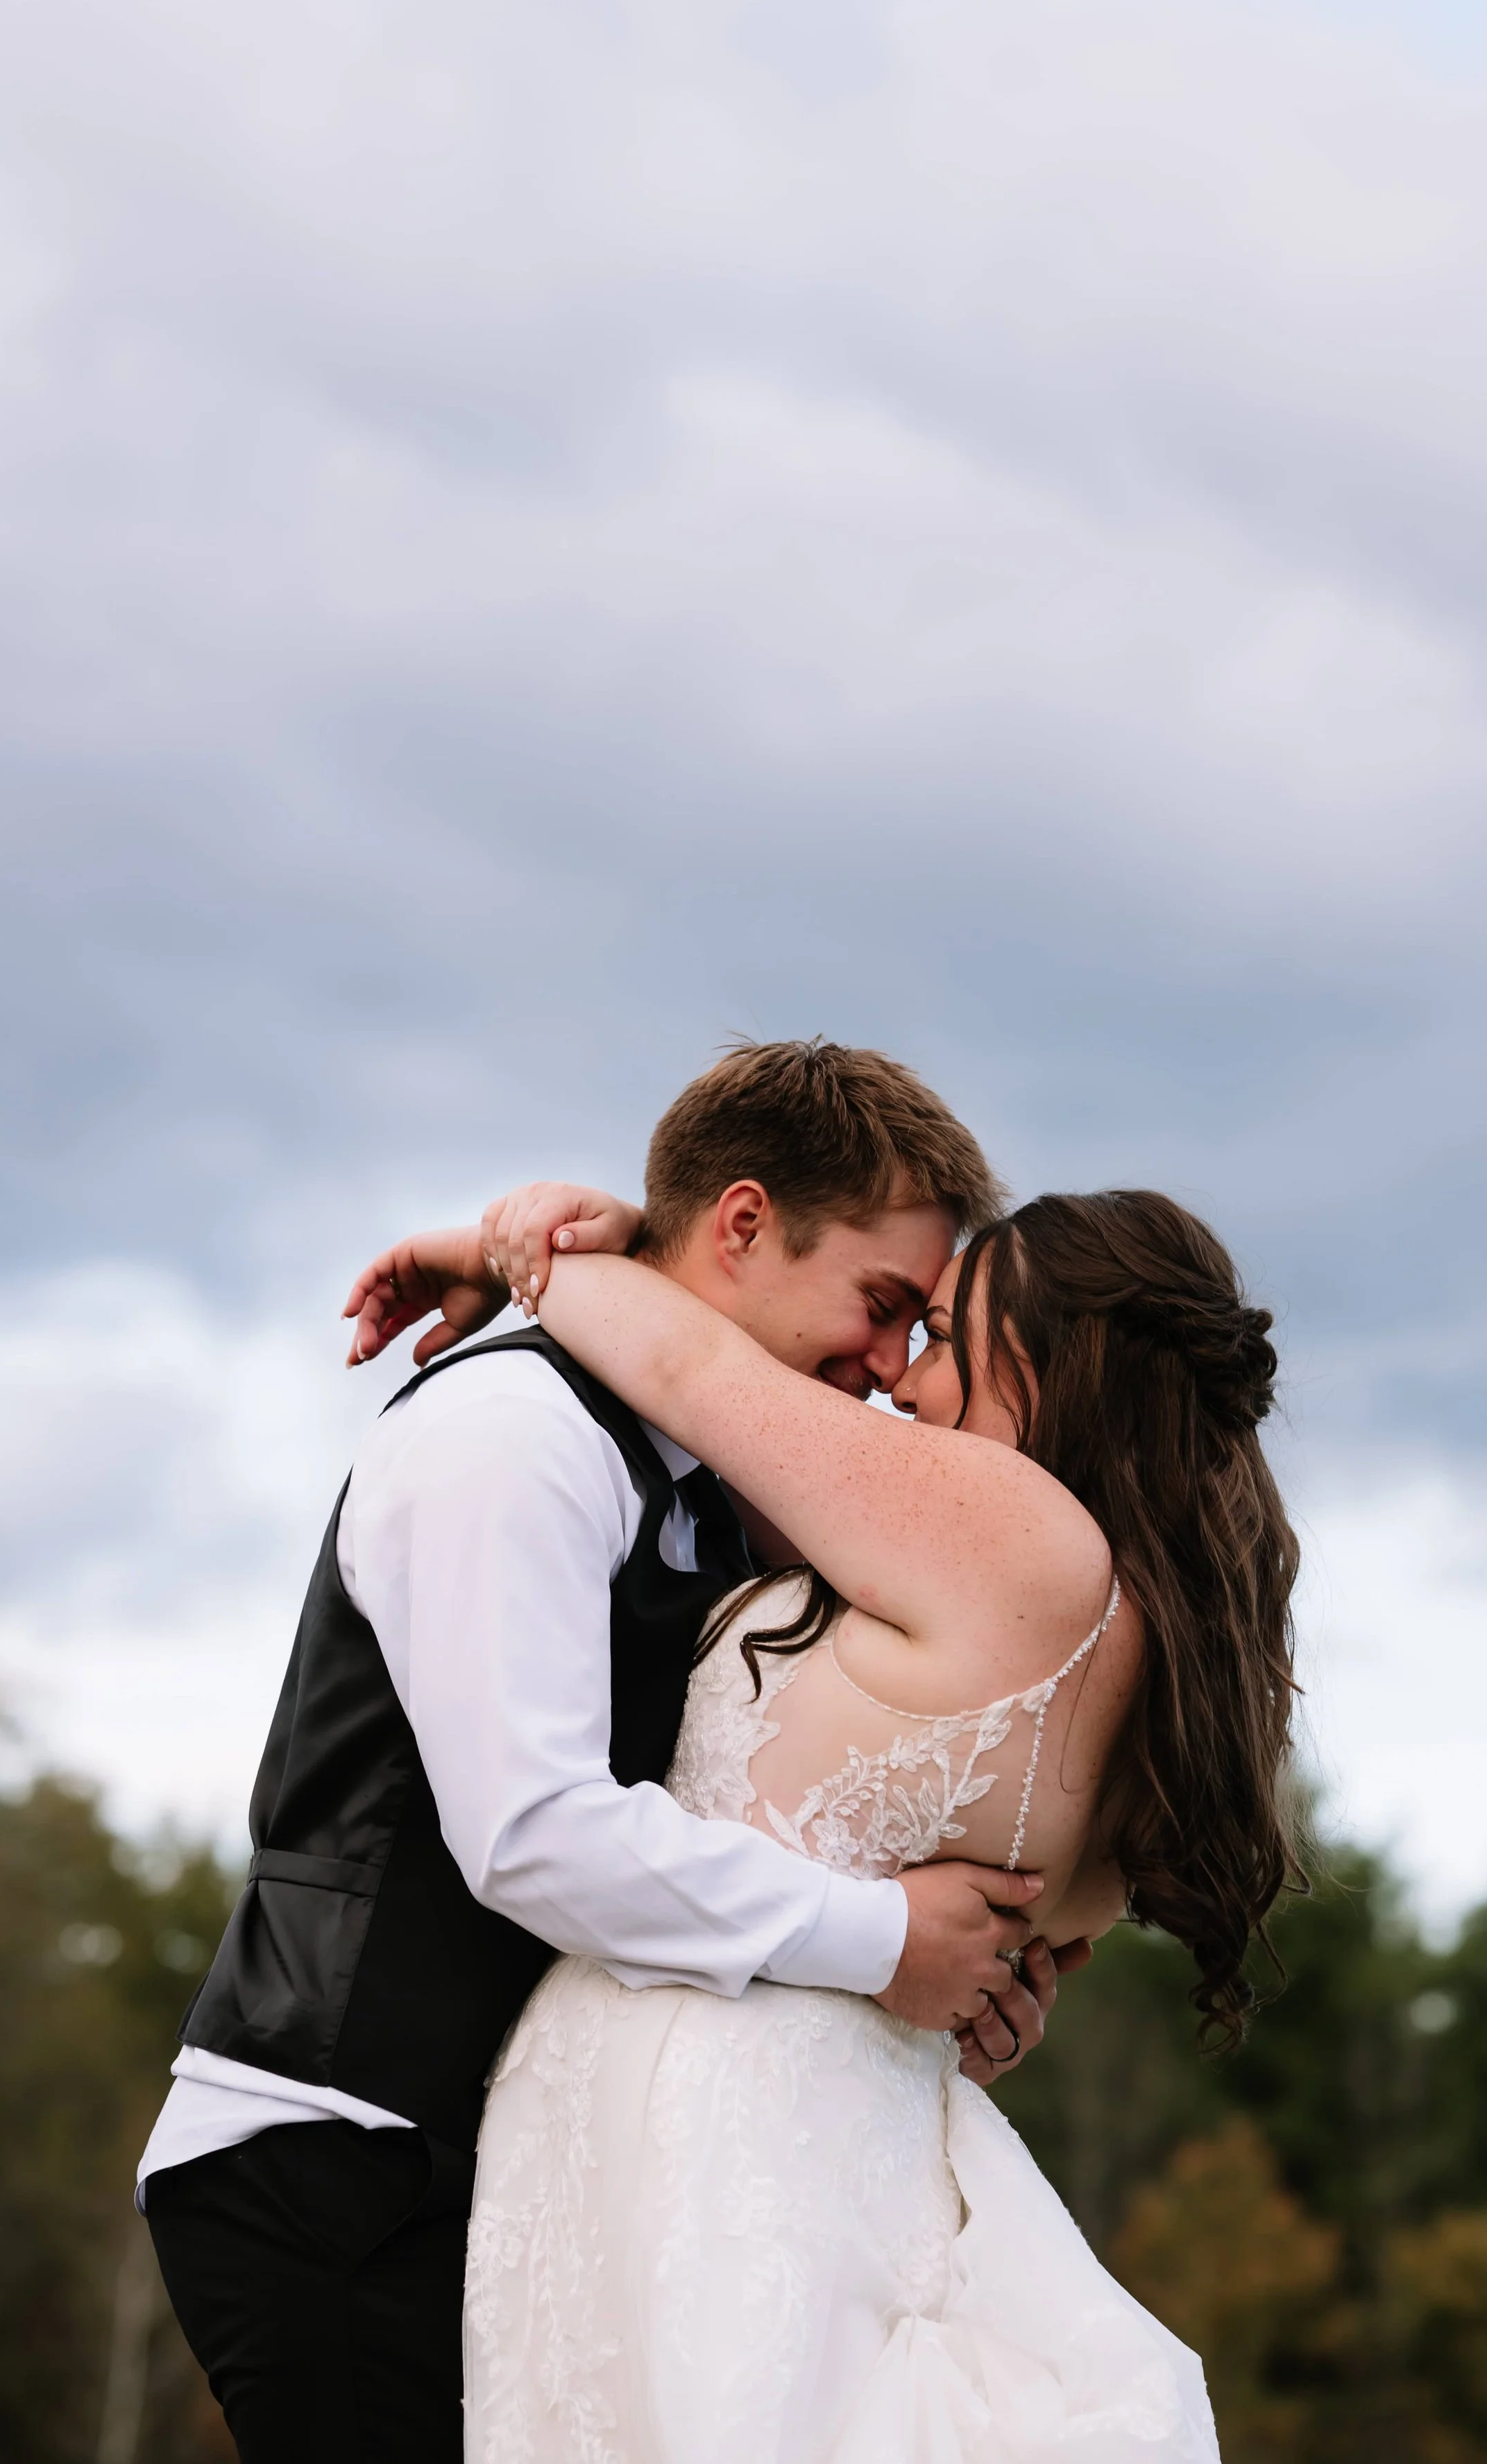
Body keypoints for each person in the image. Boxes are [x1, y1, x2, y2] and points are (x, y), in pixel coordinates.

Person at [138, 1042, 1074, 2464]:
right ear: (746, 1226)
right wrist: (882, 1940)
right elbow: (536, 1835)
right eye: (879, 1308)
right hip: (336, 2157)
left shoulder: (711, 1491)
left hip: (500, 2173)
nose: (888, 1370)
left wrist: (958, 1990)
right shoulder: (510, 1433)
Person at [374, 1168, 1299, 2460]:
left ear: (1042, 1364)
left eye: (939, 1335)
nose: (901, 1380)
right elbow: (1003, 1975)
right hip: (854, 2145)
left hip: (704, 2128)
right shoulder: (1160, 1671)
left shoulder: (1012, 1531)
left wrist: (518, 1244)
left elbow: (697, 1376)